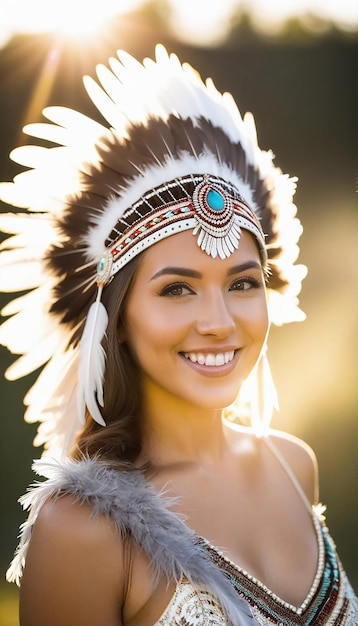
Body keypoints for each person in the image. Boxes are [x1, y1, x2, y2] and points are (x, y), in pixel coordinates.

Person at [0, 45, 356, 626]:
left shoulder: (295, 465)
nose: (219, 320)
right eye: (176, 289)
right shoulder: (82, 532)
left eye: (242, 283)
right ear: (114, 318)